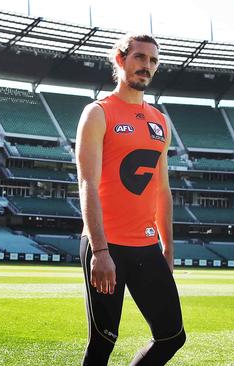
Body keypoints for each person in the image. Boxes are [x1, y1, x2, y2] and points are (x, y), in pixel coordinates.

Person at [76, 34, 185, 365]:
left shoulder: (159, 122)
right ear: (120, 60)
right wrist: (100, 251)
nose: (147, 66)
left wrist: (168, 247)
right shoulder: (97, 113)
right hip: (106, 245)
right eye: (140, 57)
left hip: (147, 246)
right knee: (103, 343)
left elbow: (162, 189)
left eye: (153, 61)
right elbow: (87, 184)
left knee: (171, 336)